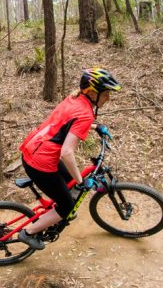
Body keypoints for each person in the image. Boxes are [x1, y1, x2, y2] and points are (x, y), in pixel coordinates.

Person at [17, 67, 121, 250]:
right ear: (91, 93)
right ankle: (28, 233)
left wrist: (95, 127)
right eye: (105, 94)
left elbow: (67, 123)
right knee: (67, 205)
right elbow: (66, 152)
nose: (108, 98)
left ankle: (59, 210)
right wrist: (82, 181)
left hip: (34, 149)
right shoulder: (85, 114)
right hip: (41, 163)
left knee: (70, 183)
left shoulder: (74, 99)